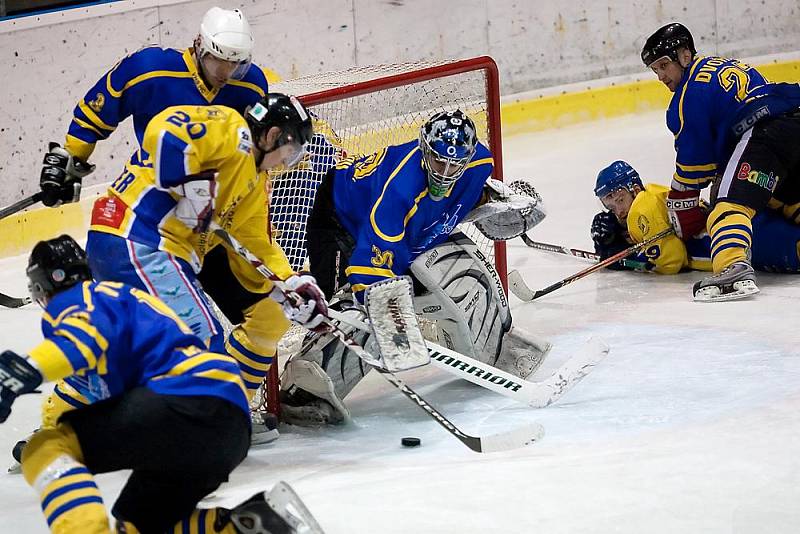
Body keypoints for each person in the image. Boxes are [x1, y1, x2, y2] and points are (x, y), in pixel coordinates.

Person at [31, 6, 292, 443]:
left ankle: (231, 408)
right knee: (178, 338)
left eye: (237, 63)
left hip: (204, 236)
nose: (227, 72)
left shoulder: (251, 89)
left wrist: (288, 281)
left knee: (270, 309)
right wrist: (72, 159)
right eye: (218, 60)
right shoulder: (150, 70)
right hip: (154, 227)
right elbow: (112, 113)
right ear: (198, 47)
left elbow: (250, 173)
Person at [0, 235, 320, 533]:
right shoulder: (127, 298)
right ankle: (252, 524)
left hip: (185, 402)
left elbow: (81, 341)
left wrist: (19, 372)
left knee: (45, 448)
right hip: (229, 425)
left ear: (44, 287)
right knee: (141, 524)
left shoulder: (81, 300)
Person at [279, 109, 549, 425]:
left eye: (454, 165)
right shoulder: (399, 193)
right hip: (341, 219)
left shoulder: (478, 163)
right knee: (355, 309)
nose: (445, 172)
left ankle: (493, 346)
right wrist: (386, 311)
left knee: (456, 266)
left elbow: (464, 196)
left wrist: (492, 202)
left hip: (405, 226)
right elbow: (371, 266)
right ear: (424, 148)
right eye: (437, 161)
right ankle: (303, 390)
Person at [641, 22, 800, 300]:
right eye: (655, 70)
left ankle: (732, 267)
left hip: (764, 131)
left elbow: (695, 163)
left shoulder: (688, 93)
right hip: (793, 118)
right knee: (786, 198)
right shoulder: (721, 65)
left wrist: (681, 200)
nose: (661, 76)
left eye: (664, 66)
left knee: (728, 203)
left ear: (685, 55)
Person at [590, 160, 800, 275]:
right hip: (741, 221)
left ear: (634, 189)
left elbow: (673, 261)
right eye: (609, 204)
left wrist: (628, 259)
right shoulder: (653, 193)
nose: (618, 211)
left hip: (732, 242)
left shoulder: (640, 212)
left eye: (619, 200)